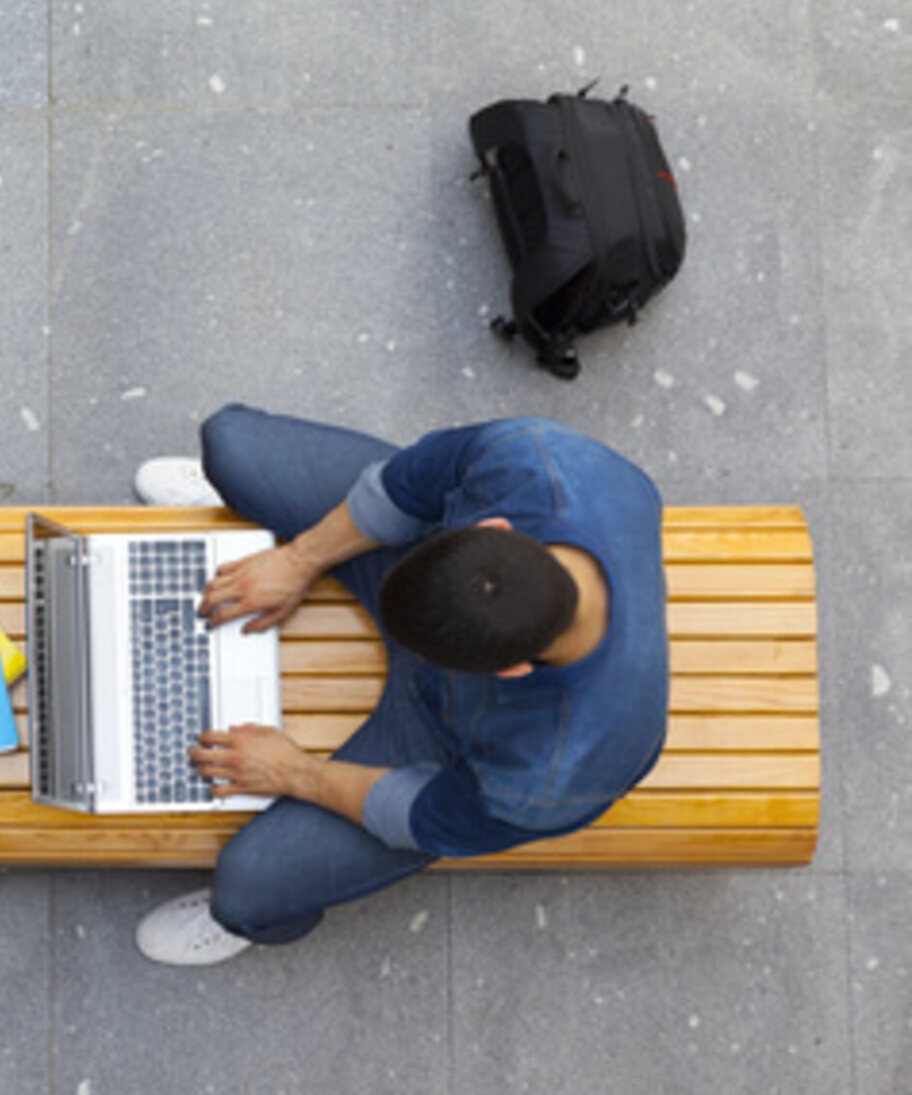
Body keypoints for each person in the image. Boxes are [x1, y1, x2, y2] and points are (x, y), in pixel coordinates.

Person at [129, 407, 669, 966]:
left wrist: (295, 773)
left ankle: (258, 921)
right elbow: (408, 484)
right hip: (419, 561)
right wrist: (298, 558)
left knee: (246, 892)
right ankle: (264, 515)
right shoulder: (528, 457)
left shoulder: (550, 774)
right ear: (492, 528)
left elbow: (423, 815)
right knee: (231, 443)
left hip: (438, 742)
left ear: (509, 674)